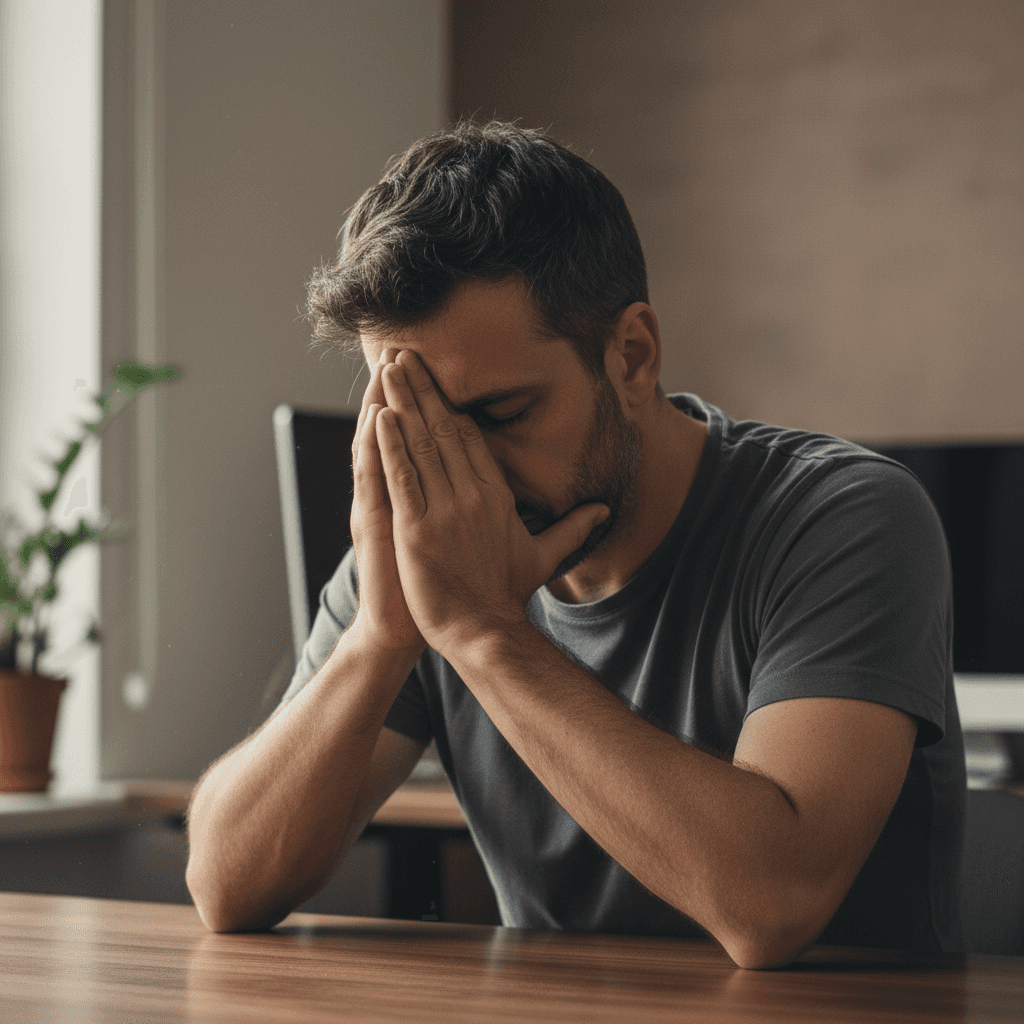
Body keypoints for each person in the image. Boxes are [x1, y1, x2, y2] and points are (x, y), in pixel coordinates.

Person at [185, 120, 966, 969]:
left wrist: (484, 634)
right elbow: (226, 885)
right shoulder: (433, 547)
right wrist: (380, 637)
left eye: (501, 415)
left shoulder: (844, 517)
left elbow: (773, 904)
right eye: (420, 426)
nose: (463, 479)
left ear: (631, 357)